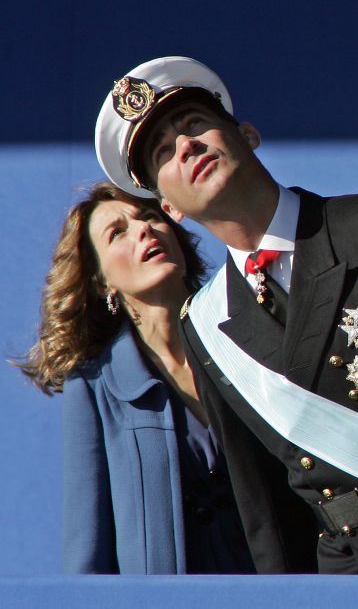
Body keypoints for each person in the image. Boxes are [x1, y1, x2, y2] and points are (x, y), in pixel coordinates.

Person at [93, 56, 358, 573]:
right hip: (344, 577)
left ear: (248, 134)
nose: (185, 146)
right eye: (164, 152)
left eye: (194, 125)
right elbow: (266, 511)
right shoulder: (206, 326)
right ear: (169, 207)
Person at [17, 183, 254, 574]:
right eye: (117, 232)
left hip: (279, 590)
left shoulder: (248, 343)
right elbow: (87, 552)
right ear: (102, 282)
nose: (143, 229)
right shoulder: (94, 386)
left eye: (149, 217)